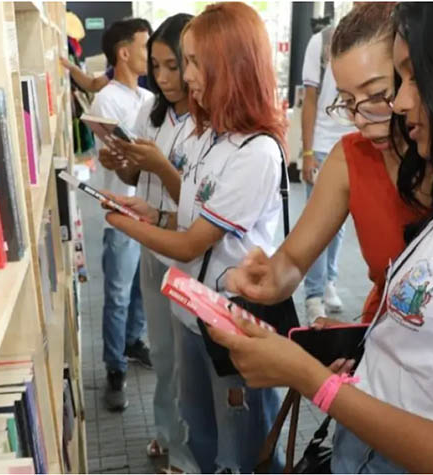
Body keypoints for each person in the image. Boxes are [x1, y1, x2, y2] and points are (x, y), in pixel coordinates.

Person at [212, 3, 433, 473]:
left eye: (406, 79)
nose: (399, 104)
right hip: (375, 431)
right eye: (346, 101)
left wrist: (308, 377)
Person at [102, 3, 287, 472]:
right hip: (192, 312)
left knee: (243, 447)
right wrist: (154, 215)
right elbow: (187, 220)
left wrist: (132, 225)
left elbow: (192, 245)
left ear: (229, 66)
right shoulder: (207, 136)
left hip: (231, 321)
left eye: (191, 62)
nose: (184, 77)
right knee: (201, 433)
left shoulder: (256, 152)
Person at [221, 3, 431, 326]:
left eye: (376, 95)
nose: (359, 119)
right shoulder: (349, 158)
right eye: (347, 102)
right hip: (382, 338)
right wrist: (265, 278)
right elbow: (292, 259)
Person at [97, 13, 197, 471]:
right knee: (161, 351)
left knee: (190, 353)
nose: (163, 77)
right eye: (155, 66)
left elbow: (196, 208)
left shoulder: (211, 121)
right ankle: (166, 432)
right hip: (153, 246)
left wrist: (158, 166)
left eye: (173, 65)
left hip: (190, 251)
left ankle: (190, 445)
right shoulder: (149, 111)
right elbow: (133, 175)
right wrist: (118, 158)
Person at [88, 17, 153, 412]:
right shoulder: (105, 102)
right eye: (145, 47)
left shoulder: (147, 100)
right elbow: (118, 158)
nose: (151, 56)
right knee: (116, 291)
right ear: (124, 52)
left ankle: (134, 341)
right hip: (121, 209)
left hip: (148, 207)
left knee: (141, 287)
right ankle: (115, 368)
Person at [299, 16, 356, 322]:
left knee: (341, 222)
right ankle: (313, 293)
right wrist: (307, 152)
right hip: (322, 145)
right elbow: (309, 99)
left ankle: (329, 280)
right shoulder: (321, 41)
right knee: (318, 221)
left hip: (357, 144)